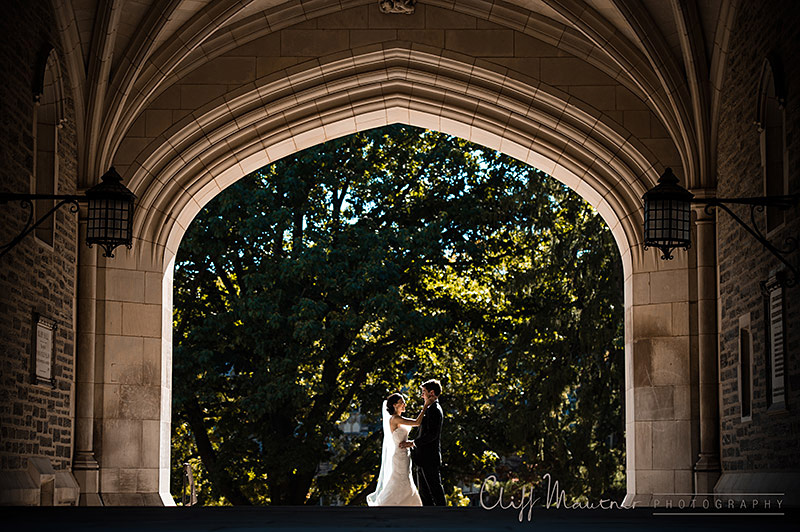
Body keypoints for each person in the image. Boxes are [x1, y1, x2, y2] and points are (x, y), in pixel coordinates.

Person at [367, 391, 433, 506]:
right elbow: (417, 422)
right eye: (402, 402)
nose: (404, 405)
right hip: (399, 455)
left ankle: (405, 503)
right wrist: (425, 406)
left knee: (404, 478)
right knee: (400, 479)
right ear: (394, 405)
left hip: (405, 454)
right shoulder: (395, 419)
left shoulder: (399, 418)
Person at [405, 379, 447, 506]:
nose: (422, 395)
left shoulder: (435, 409)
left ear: (432, 393)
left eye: (424, 392)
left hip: (429, 457)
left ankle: (444, 518)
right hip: (423, 458)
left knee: (435, 490)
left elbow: (432, 435)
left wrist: (413, 443)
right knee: (424, 493)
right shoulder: (430, 408)